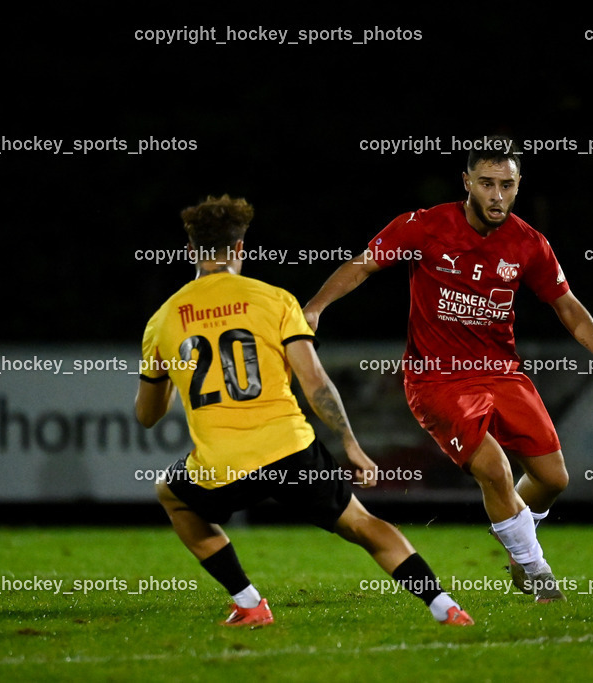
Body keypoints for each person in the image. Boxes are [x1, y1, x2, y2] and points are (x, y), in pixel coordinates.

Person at [303, 136, 593, 603]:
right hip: (437, 380)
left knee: (553, 479)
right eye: (486, 183)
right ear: (466, 182)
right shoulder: (424, 227)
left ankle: (515, 536)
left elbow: (566, 305)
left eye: (507, 185)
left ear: (519, 185)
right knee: (495, 469)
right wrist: (316, 307)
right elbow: (364, 265)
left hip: (502, 373)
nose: (497, 195)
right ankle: (538, 575)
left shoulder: (529, 243)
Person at [135, 194, 473, 627]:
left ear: (189, 251)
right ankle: (445, 607)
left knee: (171, 493)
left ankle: (250, 602)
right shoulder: (275, 300)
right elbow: (315, 383)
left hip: (223, 465)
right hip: (292, 449)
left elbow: (148, 415)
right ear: (240, 249)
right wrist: (351, 443)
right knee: (363, 524)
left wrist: (165, 377)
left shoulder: (162, 322)